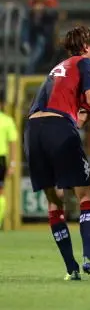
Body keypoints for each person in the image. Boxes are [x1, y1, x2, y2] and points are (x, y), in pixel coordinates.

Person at [25, 26, 90, 280]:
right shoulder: (86, 63)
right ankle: (89, 257)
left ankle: (71, 268)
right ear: (85, 47)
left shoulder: (58, 70)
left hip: (33, 131)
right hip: (58, 128)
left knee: (55, 200)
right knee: (85, 194)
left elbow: (78, 118)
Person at [0, 94, 17, 229]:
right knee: (1, 192)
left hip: (1, 158)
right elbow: (13, 144)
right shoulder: (7, 120)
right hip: (1, 159)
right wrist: (12, 163)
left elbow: (12, 143)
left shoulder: (7, 120)